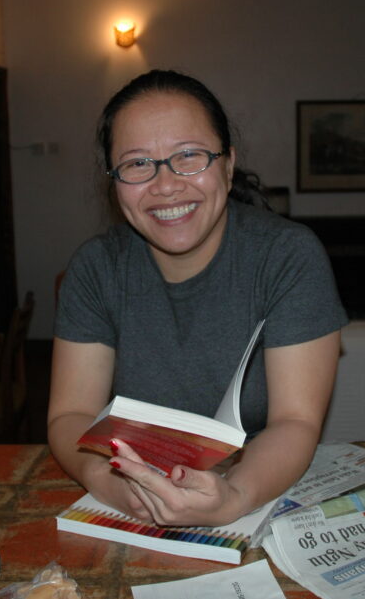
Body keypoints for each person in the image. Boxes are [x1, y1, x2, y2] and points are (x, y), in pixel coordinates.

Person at [48, 69, 347, 529]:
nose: (165, 185)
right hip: (133, 483)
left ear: (227, 164)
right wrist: (110, 484)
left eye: (189, 156)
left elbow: (296, 421)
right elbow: (71, 414)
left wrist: (232, 496)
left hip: (259, 486)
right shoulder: (96, 269)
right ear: (114, 180)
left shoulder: (288, 256)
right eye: (137, 164)